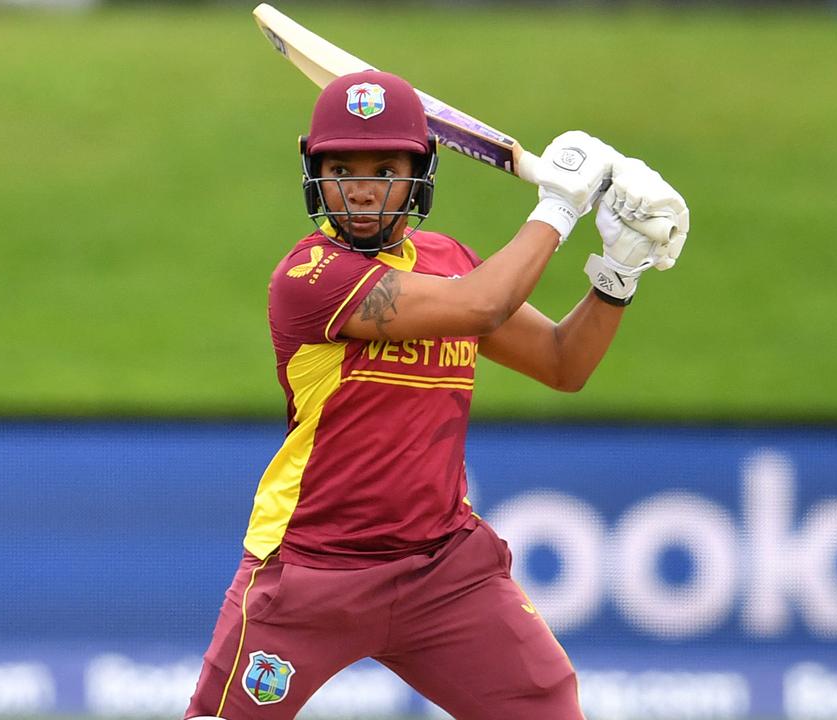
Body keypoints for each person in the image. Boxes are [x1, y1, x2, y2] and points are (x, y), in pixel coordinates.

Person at [184, 69, 688, 720]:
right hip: (310, 571)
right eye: (343, 169)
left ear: (420, 174)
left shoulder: (451, 259)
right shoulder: (309, 277)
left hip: (442, 572)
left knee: (551, 704)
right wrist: (559, 206)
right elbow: (482, 307)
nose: (362, 189)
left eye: (385, 168)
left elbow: (564, 363)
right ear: (315, 175)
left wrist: (620, 271)